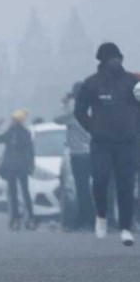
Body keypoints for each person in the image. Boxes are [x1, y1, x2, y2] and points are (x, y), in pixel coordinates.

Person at [74, 42, 140, 246]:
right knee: (100, 179)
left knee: (126, 185)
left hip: (127, 142)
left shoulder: (132, 82)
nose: (116, 61)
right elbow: (79, 110)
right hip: (101, 142)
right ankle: (101, 216)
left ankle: (126, 228)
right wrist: (92, 127)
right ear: (103, 60)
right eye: (111, 58)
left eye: (118, 57)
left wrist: (135, 127)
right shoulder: (91, 83)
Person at [54, 82, 95, 231]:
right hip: (94, 153)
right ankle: (93, 219)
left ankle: (86, 220)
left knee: (82, 189)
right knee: (92, 188)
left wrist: (64, 103)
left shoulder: (74, 113)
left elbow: (57, 119)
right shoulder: (92, 109)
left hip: (78, 155)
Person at [0, 110, 36, 231]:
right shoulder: (24, 133)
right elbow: (31, 151)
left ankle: (17, 219)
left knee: (14, 194)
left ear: (17, 121)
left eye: (13, 120)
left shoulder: (12, 133)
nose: (11, 122)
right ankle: (30, 218)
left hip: (14, 167)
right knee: (24, 193)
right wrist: (31, 166)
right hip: (21, 167)